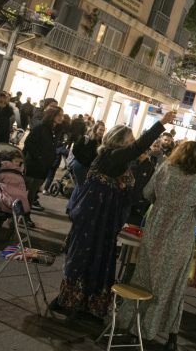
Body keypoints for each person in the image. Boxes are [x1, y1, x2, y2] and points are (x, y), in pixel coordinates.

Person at [50, 110, 175, 320]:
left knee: (99, 261)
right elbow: (138, 148)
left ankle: (88, 304)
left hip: (103, 222)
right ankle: (69, 300)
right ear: (119, 142)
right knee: (83, 259)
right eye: (130, 140)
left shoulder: (116, 160)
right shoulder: (111, 156)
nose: (134, 143)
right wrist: (160, 123)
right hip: (93, 221)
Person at [119, 141, 196, 351]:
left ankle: (134, 328)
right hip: (179, 238)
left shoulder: (165, 169)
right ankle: (169, 336)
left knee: (145, 277)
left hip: (155, 231)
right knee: (171, 286)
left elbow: (147, 193)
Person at [22, 107, 64, 223]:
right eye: (59, 115)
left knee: (33, 192)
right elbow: (29, 144)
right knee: (24, 191)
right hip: (33, 165)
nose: (62, 117)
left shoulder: (56, 131)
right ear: (52, 115)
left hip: (44, 167)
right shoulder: (40, 128)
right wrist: (39, 157)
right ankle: (18, 215)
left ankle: (25, 215)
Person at [68, 121, 106, 199]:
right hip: (80, 165)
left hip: (88, 167)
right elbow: (75, 150)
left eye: (103, 130)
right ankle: (74, 206)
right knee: (81, 186)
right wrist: (84, 161)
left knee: (80, 186)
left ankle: (71, 207)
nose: (101, 132)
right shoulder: (87, 138)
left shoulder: (100, 142)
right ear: (95, 129)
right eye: (100, 129)